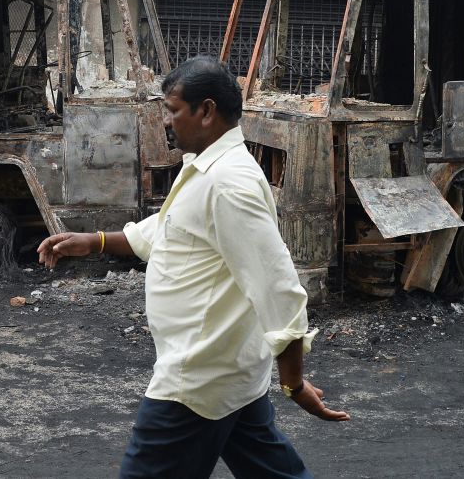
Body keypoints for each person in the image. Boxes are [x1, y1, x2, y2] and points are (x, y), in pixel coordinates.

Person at [38, 56, 349, 478]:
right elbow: (169, 231)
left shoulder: (227, 184)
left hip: (197, 379)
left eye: (172, 110)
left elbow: (278, 288)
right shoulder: (207, 169)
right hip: (229, 373)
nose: (166, 121)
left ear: (206, 111)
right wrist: (94, 242)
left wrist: (293, 383)